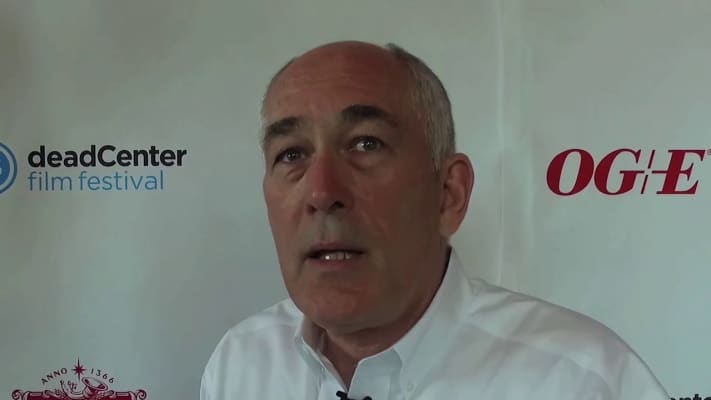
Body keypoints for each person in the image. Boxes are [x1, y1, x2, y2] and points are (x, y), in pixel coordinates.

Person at [200, 40, 669, 400]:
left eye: (366, 144)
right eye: (291, 154)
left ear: (449, 193)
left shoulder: (582, 381)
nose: (322, 193)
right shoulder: (241, 363)